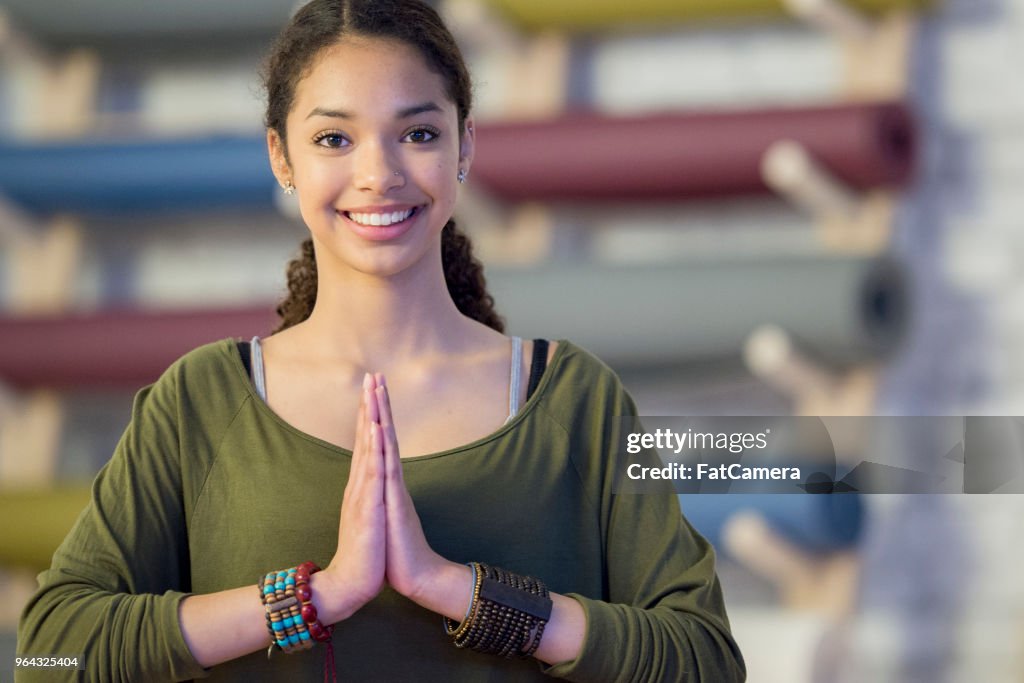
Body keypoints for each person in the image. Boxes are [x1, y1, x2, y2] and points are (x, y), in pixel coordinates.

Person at [16, 0, 745, 680]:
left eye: (418, 133)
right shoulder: (198, 401)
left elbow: (706, 657)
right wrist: (316, 597)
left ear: (464, 145)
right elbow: (49, 652)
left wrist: (459, 590)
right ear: (281, 157)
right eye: (334, 138)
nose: (379, 174)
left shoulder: (576, 397)